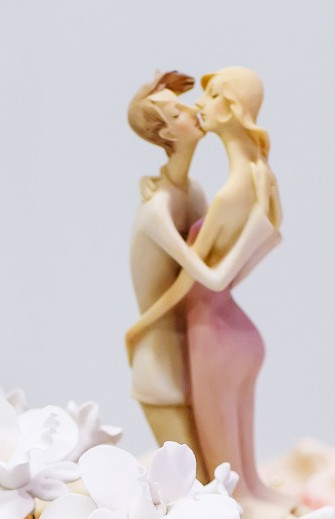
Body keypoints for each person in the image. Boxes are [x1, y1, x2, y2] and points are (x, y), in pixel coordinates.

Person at [126, 71, 276, 482]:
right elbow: (206, 278)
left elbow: (212, 276)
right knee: (197, 486)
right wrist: (139, 330)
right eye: (177, 112)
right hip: (162, 362)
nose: (193, 109)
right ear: (165, 134)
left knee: (221, 479)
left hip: (195, 345)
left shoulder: (193, 193)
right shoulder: (158, 209)